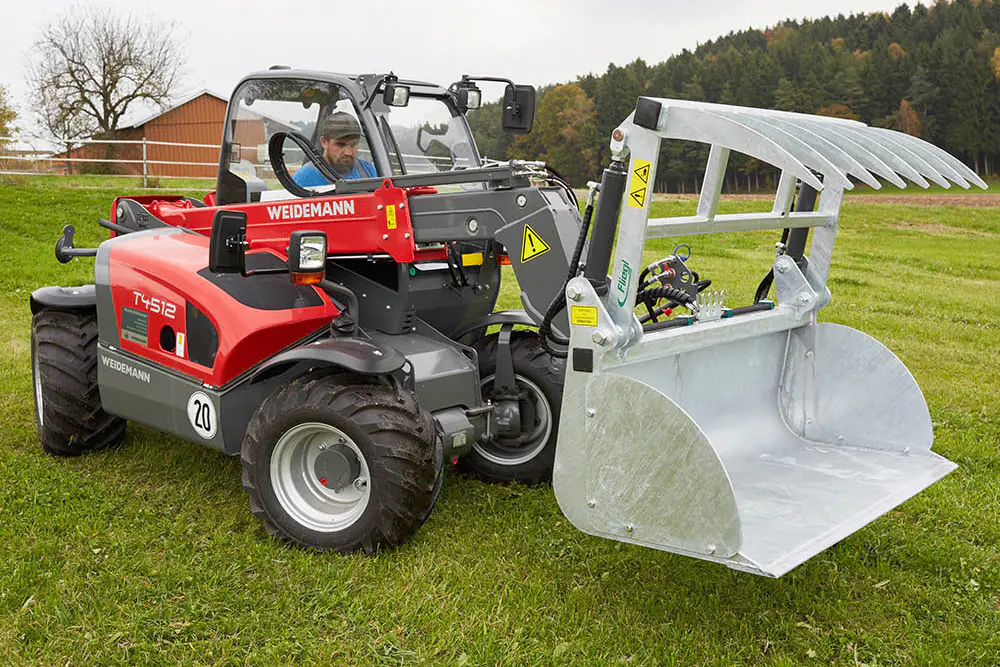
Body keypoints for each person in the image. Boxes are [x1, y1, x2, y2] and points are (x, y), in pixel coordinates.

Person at [293, 112, 377, 186]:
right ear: (324, 142)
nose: (348, 152)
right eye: (340, 145)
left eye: (353, 144)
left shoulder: (369, 170)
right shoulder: (305, 178)